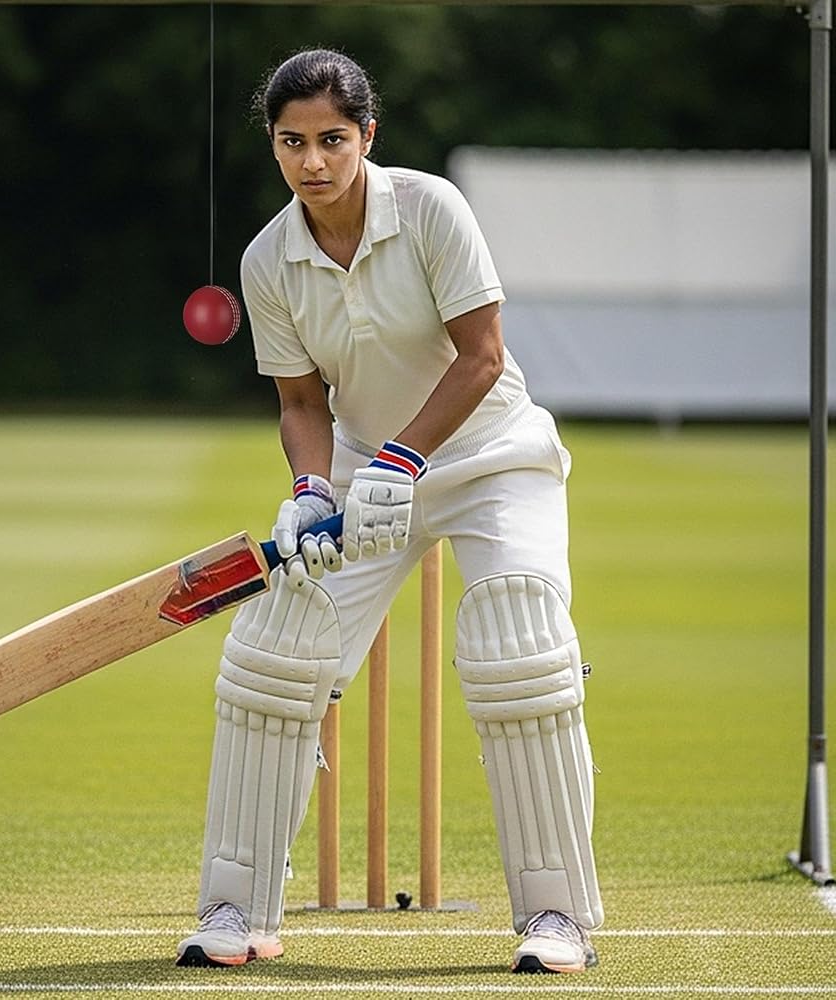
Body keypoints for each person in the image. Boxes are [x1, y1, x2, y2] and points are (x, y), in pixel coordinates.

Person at [176, 48, 603, 975]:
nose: (313, 161)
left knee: (520, 643)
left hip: (492, 457)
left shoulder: (431, 208)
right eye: (293, 142)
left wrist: (405, 458)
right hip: (365, 472)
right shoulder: (268, 259)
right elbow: (300, 402)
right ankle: (236, 905)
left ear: (367, 135)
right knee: (277, 649)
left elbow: (483, 357)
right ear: (273, 145)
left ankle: (557, 917)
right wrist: (311, 490)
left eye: (333, 139)